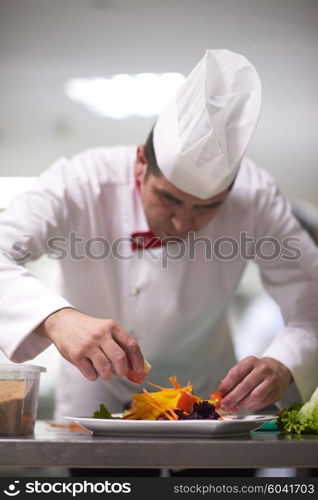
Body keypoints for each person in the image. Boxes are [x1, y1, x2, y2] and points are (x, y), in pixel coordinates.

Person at [0, 49, 318, 476]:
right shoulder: (79, 182)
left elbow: (312, 302)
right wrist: (56, 317)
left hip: (214, 405)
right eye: (169, 197)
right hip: (97, 406)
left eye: (208, 208)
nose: (182, 221)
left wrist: (284, 363)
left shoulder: (256, 197)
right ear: (140, 163)